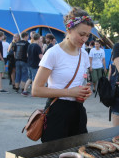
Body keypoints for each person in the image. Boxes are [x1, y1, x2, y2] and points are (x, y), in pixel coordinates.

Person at [32, 7, 93, 143]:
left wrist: (84, 92)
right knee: (54, 153)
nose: (85, 39)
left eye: (88, 35)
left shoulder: (83, 54)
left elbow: (80, 83)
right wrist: (70, 92)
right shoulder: (53, 53)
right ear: (69, 30)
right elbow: (36, 90)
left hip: (78, 111)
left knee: (79, 151)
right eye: (81, 34)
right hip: (57, 112)